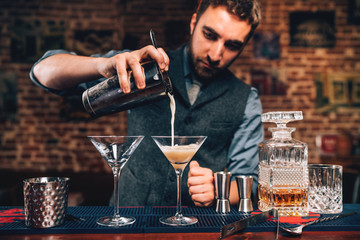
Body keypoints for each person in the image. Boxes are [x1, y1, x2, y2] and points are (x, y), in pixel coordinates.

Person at [30, 0, 263, 207]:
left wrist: (218, 190)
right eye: (210, 35)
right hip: (129, 221)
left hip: (198, 229)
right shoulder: (140, 67)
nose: (216, 54)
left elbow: (249, 183)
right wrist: (101, 65)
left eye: (232, 45)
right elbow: (42, 72)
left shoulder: (247, 99)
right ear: (194, 22)